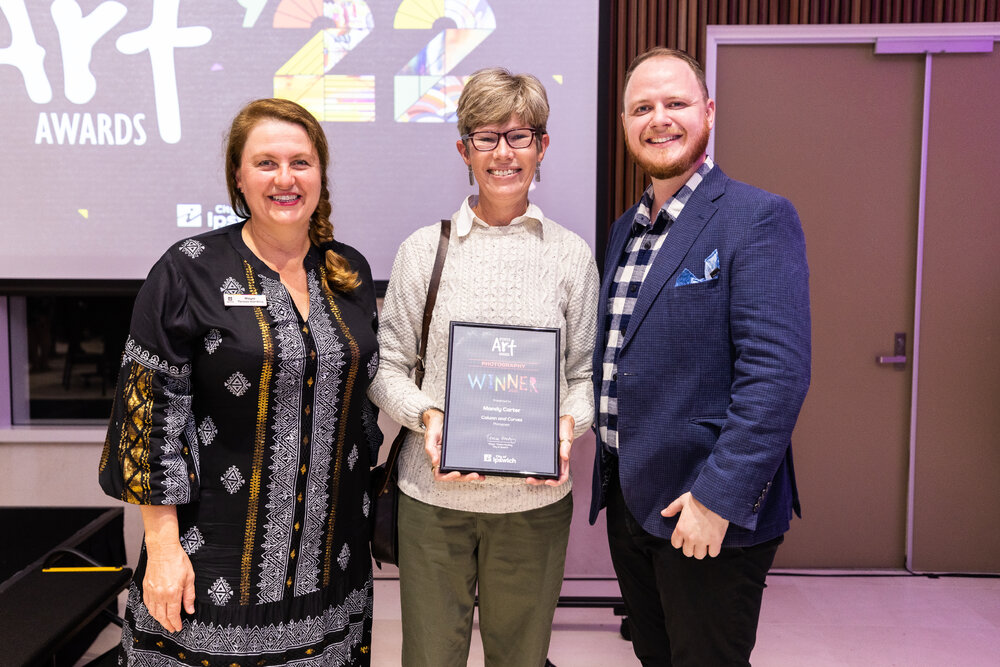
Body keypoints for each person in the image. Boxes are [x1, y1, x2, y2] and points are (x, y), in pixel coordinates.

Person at [99, 98, 382, 665]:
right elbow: (149, 420)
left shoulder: (347, 272)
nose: (285, 178)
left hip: (332, 575)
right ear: (238, 176)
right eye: (266, 163)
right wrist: (162, 549)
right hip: (212, 573)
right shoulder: (188, 270)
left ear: (321, 174)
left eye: (300, 162)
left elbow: (362, 412)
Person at [368, 67, 598, 666]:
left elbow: (584, 378)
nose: (503, 153)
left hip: (533, 507)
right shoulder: (424, 249)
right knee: (429, 658)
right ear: (463, 149)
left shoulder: (571, 256)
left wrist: (564, 426)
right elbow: (386, 366)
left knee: (520, 659)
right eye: (487, 136)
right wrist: (427, 417)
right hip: (433, 499)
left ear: (542, 147)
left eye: (520, 136)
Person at [589, 48, 811, 665]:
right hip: (634, 505)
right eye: (642, 107)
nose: (659, 119)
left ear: (709, 112)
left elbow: (777, 376)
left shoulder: (757, 218)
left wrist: (717, 501)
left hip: (707, 509)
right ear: (627, 123)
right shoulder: (624, 231)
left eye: (676, 103)